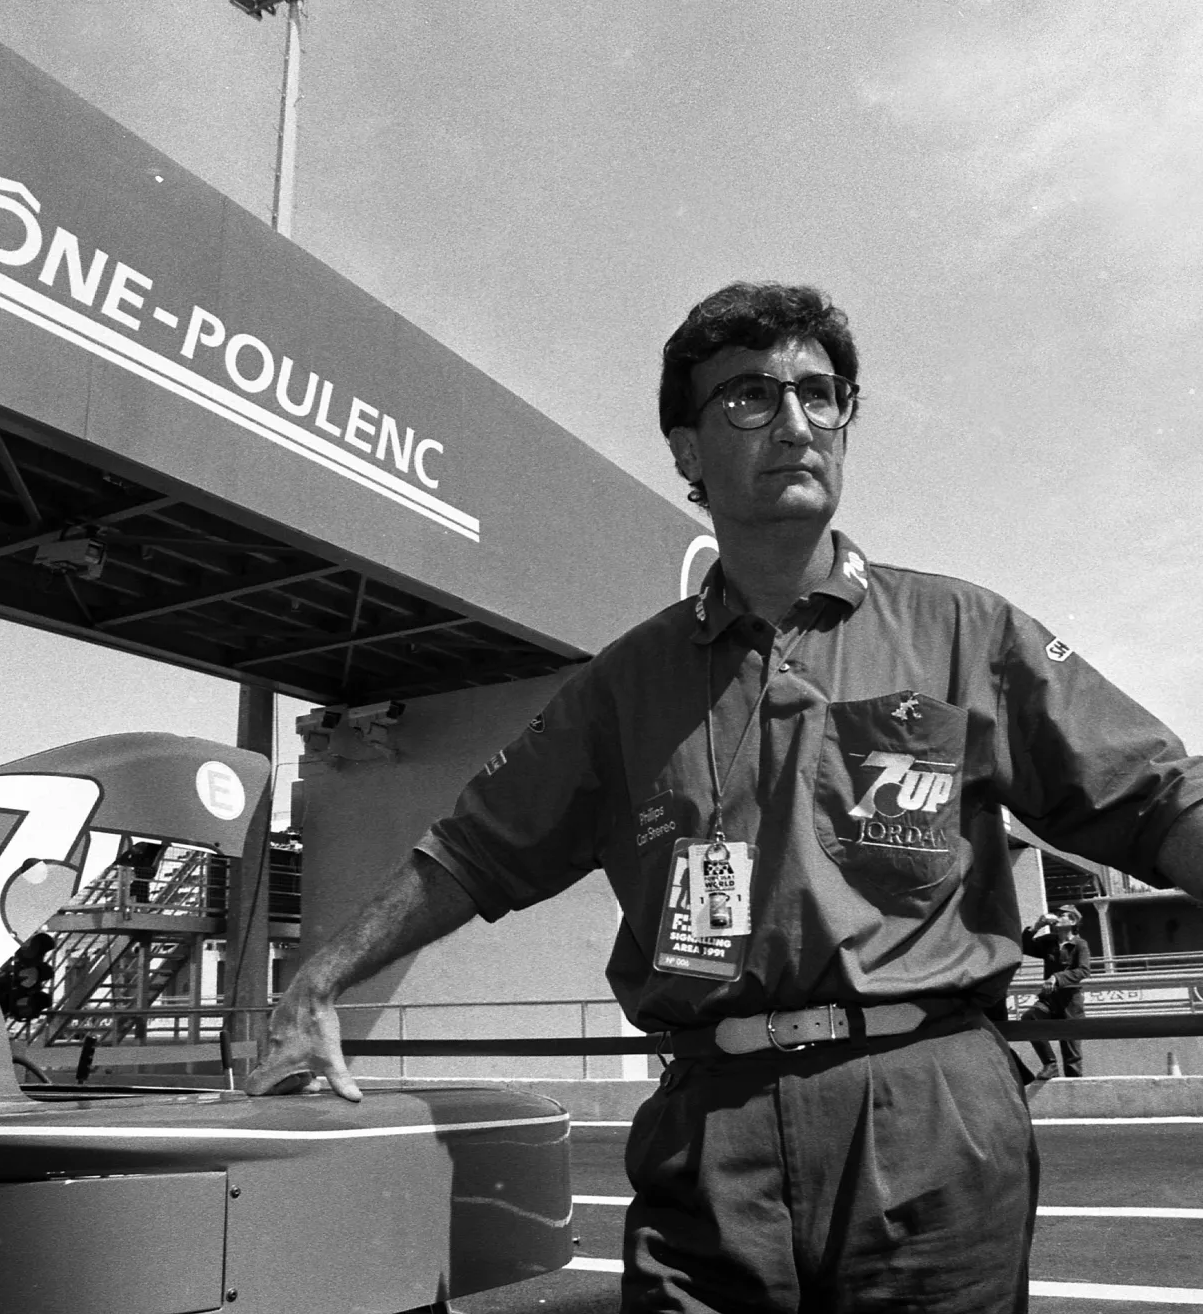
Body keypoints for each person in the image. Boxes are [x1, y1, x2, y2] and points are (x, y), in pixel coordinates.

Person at [247, 282, 1203, 1313]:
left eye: (820, 394)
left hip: (930, 1115)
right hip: (710, 1128)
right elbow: (473, 850)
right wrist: (317, 980)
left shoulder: (966, 631)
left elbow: (1153, 797)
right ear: (687, 452)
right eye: (749, 397)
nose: (795, 423)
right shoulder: (622, 687)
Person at [1021, 905, 1092, 1078]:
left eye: (1063, 915)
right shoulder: (1049, 941)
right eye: (1057, 914)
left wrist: (1057, 978)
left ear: (1073, 921)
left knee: (1072, 1055)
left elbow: (1084, 970)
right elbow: (1024, 946)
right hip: (1049, 1001)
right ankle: (1050, 1064)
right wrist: (1037, 926)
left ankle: (1075, 1093)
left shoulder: (1080, 945)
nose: (1058, 917)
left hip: (1070, 1003)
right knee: (1030, 1019)